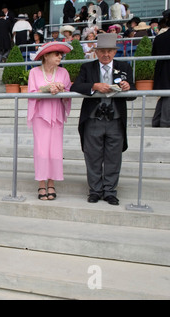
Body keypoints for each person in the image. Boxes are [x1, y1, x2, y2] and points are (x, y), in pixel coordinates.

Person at [70, 33, 135, 205]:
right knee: (92, 157)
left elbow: (133, 93)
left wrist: (128, 88)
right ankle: (95, 191)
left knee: (114, 157)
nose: (106, 55)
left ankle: (110, 191)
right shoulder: (87, 68)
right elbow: (76, 86)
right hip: (93, 119)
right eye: (102, 51)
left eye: (109, 51)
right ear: (96, 52)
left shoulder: (124, 67)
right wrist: (94, 86)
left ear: (115, 52)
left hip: (115, 119)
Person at [27, 42, 73, 200]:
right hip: (41, 115)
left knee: (55, 150)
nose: (60, 57)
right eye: (56, 54)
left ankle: (52, 183)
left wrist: (61, 90)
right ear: (46, 56)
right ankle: (41, 184)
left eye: (61, 54)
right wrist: (47, 89)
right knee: (41, 150)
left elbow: (68, 94)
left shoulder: (64, 72)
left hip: (57, 115)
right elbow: (32, 94)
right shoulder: (34, 72)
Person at [151, 9, 170, 127]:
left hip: (161, 69)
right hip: (166, 69)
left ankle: (157, 120)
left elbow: (154, 55)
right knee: (167, 96)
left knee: (164, 96)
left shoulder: (160, 38)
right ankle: (165, 123)